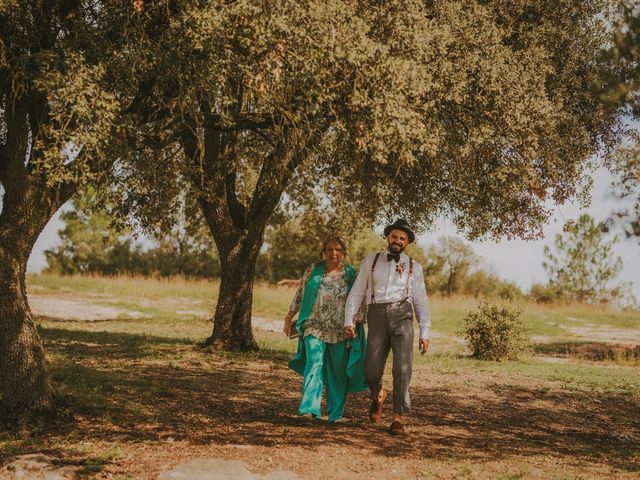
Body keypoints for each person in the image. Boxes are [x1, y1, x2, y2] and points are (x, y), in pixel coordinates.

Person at [343, 219, 431, 435]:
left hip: (403, 315)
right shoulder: (371, 261)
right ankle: (378, 392)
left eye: (402, 238)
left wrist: (424, 331)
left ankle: (398, 418)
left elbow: (421, 300)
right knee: (371, 369)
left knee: (402, 368)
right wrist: (349, 319)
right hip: (376, 315)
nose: (398, 240)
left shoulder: (414, 267)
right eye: (394, 236)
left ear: (407, 242)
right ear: (388, 237)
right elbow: (356, 292)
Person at [284, 235, 367, 423]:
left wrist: (354, 323)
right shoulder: (313, 270)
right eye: (330, 249)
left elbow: (360, 301)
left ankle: (335, 414)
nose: (334, 253)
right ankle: (309, 410)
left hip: (341, 331)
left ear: (344, 252)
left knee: (337, 374)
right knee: (314, 364)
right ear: (324, 251)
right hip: (314, 326)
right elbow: (300, 294)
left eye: (338, 249)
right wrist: (289, 317)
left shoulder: (351, 274)